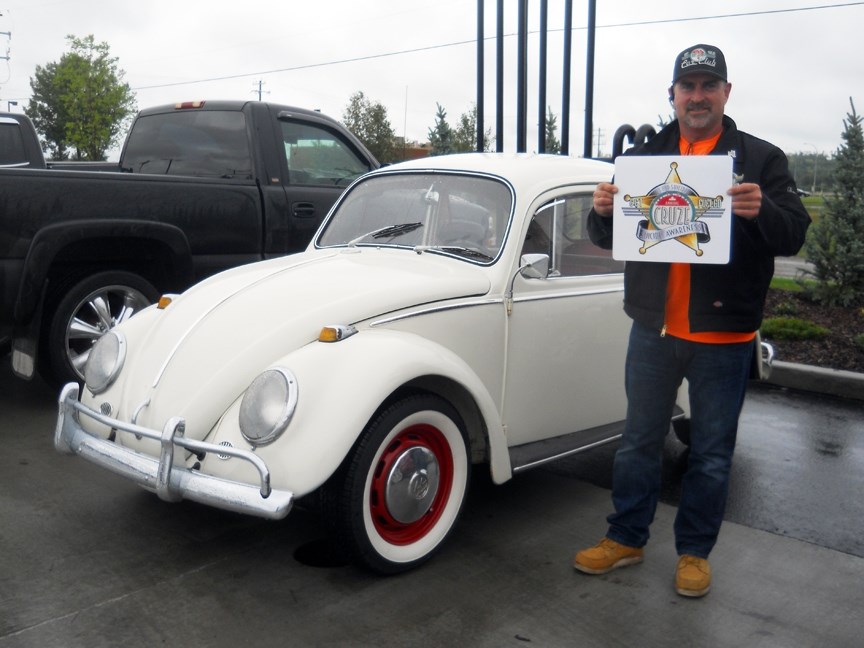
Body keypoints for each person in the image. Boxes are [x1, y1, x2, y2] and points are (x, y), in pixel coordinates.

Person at [573, 44, 811, 597]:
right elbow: (610, 238)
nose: (697, 96)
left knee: (710, 452)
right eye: (688, 86)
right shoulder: (645, 157)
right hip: (653, 330)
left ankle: (694, 552)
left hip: (724, 336)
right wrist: (601, 212)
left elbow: (793, 233)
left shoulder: (760, 158)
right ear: (673, 95)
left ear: (726, 92)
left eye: (709, 85)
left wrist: (764, 211)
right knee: (637, 442)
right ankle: (626, 538)